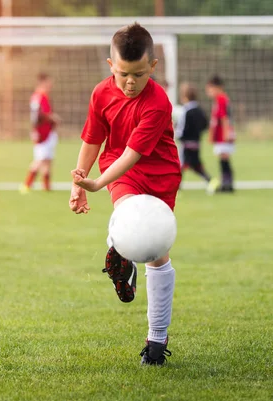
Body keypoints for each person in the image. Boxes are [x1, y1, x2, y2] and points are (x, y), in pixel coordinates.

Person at [69, 23, 180, 366]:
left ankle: (157, 340)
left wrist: (97, 183)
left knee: (157, 253)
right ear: (110, 65)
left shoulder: (158, 102)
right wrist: (79, 183)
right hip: (120, 169)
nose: (130, 82)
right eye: (122, 74)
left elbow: (136, 153)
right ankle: (122, 252)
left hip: (159, 173)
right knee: (132, 219)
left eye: (139, 75)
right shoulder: (101, 93)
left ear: (153, 67)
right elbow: (92, 140)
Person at [175, 82, 219, 194]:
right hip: (196, 143)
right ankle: (211, 181)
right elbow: (205, 125)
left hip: (186, 144)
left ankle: (176, 188)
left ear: (184, 97)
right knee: (196, 165)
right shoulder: (200, 110)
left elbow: (182, 127)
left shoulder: (185, 111)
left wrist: (177, 135)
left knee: (180, 166)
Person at [20, 73, 61, 193]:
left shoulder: (41, 96)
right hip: (42, 133)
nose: (51, 85)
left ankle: (46, 186)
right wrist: (54, 118)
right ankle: (27, 184)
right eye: (48, 82)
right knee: (40, 159)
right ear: (42, 83)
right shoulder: (39, 96)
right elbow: (40, 115)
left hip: (48, 132)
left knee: (48, 159)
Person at [206, 74, 235, 193]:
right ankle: (226, 183)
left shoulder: (222, 99)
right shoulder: (218, 100)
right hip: (220, 134)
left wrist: (226, 133)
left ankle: (228, 184)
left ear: (217, 88)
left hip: (224, 134)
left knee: (225, 158)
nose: (208, 92)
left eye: (210, 89)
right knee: (222, 158)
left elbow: (224, 118)